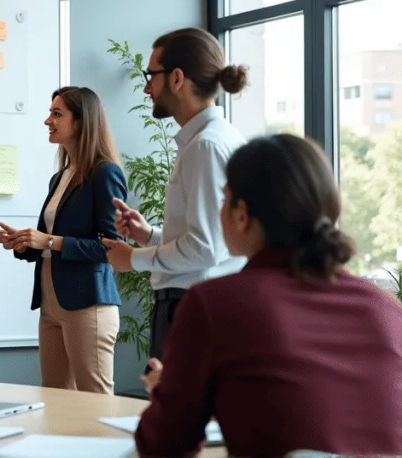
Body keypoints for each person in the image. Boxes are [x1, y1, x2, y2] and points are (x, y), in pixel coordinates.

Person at [135, 134, 402, 457]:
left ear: (242, 214)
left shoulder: (216, 304)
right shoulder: (386, 308)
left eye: (224, 199)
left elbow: (162, 444)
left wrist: (171, 391)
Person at [101, 27, 248, 366]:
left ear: (177, 78)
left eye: (151, 75)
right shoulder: (217, 138)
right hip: (202, 305)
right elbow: (212, 240)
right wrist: (149, 235)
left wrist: (133, 258)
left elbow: (205, 249)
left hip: (192, 309)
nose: (146, 88)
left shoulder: (205, 146)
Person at [0, 86, 126, 394]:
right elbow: (48, 242)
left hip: (88, 303)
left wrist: (50, 241)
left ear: (81, 121)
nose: (47, 120)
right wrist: (24, 242)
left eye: (56, 113)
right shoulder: (61, 176)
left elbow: (111, 247)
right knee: (55, 398)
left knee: (94, 401)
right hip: (50, 303)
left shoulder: (105, 173)